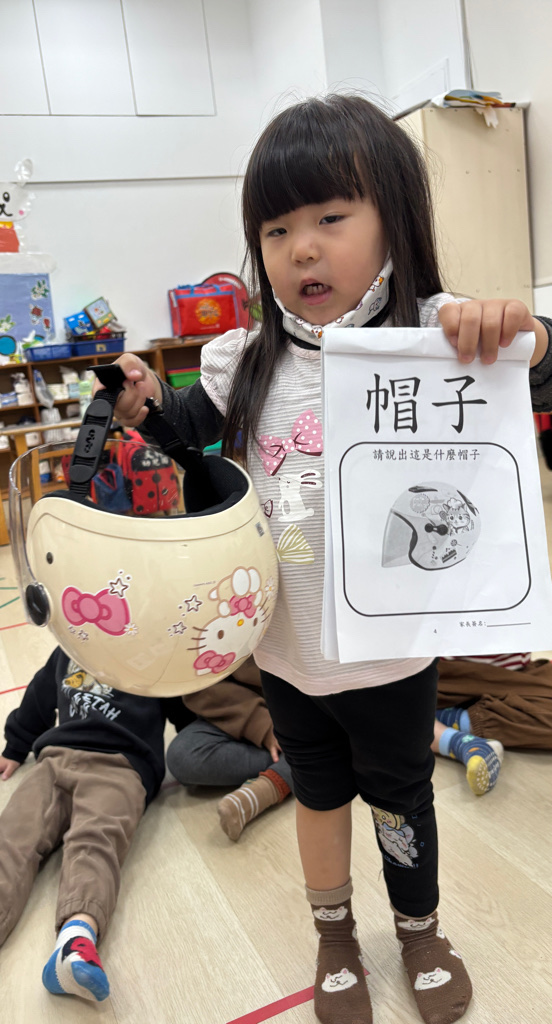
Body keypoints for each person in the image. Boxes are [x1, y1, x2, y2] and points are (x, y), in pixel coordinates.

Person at [95, 94, 552, 1024]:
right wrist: (146, 401)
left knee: (401, 799)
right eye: (276, 230)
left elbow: (533, 369)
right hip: (288, 650)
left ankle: (418, 930)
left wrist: (526, 334)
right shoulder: (244, 360)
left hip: (394, 654)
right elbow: (187, 435)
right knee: (316, 793)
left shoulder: (437, 335)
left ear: (395, 218)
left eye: (331, 218)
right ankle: (334, 934)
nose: (301, 248)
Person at [0, 646, 194, 1002]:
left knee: (95, 842)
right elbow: (39, 696)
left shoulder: (157, 656)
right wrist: (13, 749)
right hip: (55, 758)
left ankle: (76, 941)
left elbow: (186, 713)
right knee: (15, 835)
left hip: (121, 766)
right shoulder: (70, 646)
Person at [166, 657, 293, 840]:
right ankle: (297, 758)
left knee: (331, 737)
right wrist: (261, 726)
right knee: (182, 755)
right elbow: (199, 686)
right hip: (240, 709)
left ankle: (271, 785)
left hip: (309, 704)